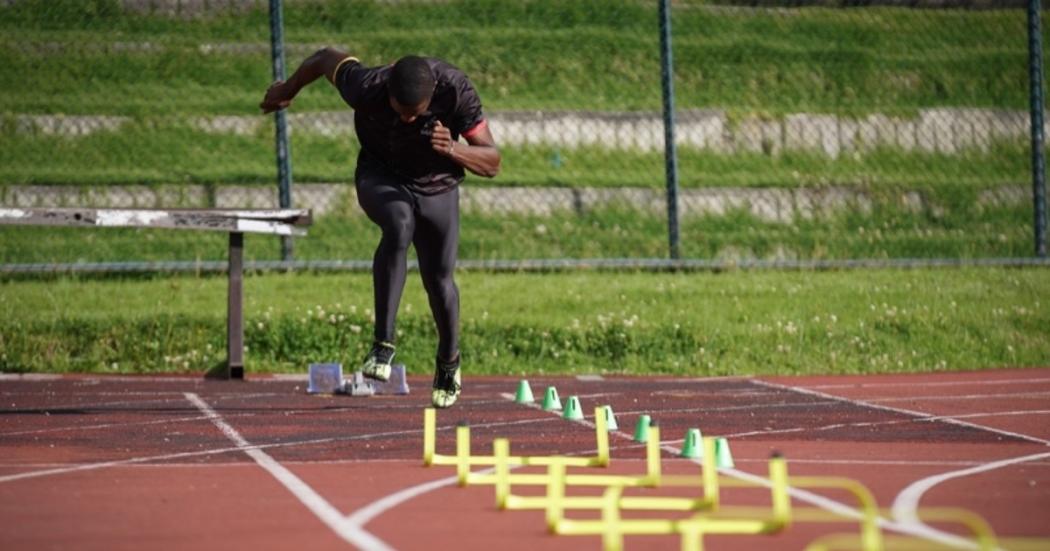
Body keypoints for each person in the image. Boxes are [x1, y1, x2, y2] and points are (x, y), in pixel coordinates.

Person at [260, 49, 501, 408]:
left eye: (414, 113)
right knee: (399, 224)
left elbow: (493, 161)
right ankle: (382, 344)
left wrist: (452, 148)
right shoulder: (367, 85)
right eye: (398, 110)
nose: (405, 119)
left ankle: (449, 362)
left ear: (430, 99)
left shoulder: (455, 90)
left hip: (436, 183)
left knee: (439, 280)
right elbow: (325, 59)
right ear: (388, 91)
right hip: (381, 174)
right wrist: (290, 88)